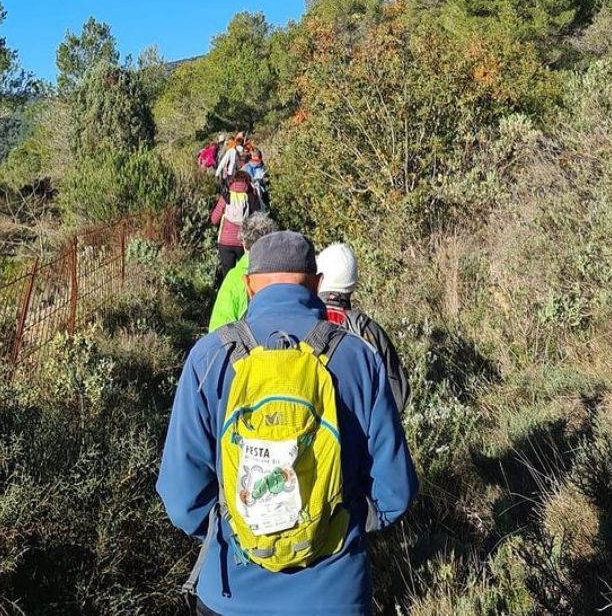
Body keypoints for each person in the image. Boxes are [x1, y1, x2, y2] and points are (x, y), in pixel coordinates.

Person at [158, 231, 417, 616]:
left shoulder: (209, 358)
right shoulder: (358, 358)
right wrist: (337, 524)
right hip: (334, 595)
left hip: (231, 595)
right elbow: (395, 493)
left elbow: (181, 500)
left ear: (248, 286)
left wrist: (239, 527)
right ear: (316, 283)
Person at [316, 243, 411, 414]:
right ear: (353, 284)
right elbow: (399, 395)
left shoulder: (303, 322)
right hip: (359, 435)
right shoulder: (368, 329)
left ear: (319, 277)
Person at [208, 212, 279, 331]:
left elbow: (218, 328)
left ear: (244, 243)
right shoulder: (286, 272)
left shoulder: (235, 278)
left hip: (247, 345)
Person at [210, 171, 261, 284]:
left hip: (225, 242)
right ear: (247, 182)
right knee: (245, 275)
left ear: (233, 181)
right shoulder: (251, 196)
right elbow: (258, 218)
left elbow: (214, 220)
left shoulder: (226, 196)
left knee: (228, 277)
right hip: (243, 242)